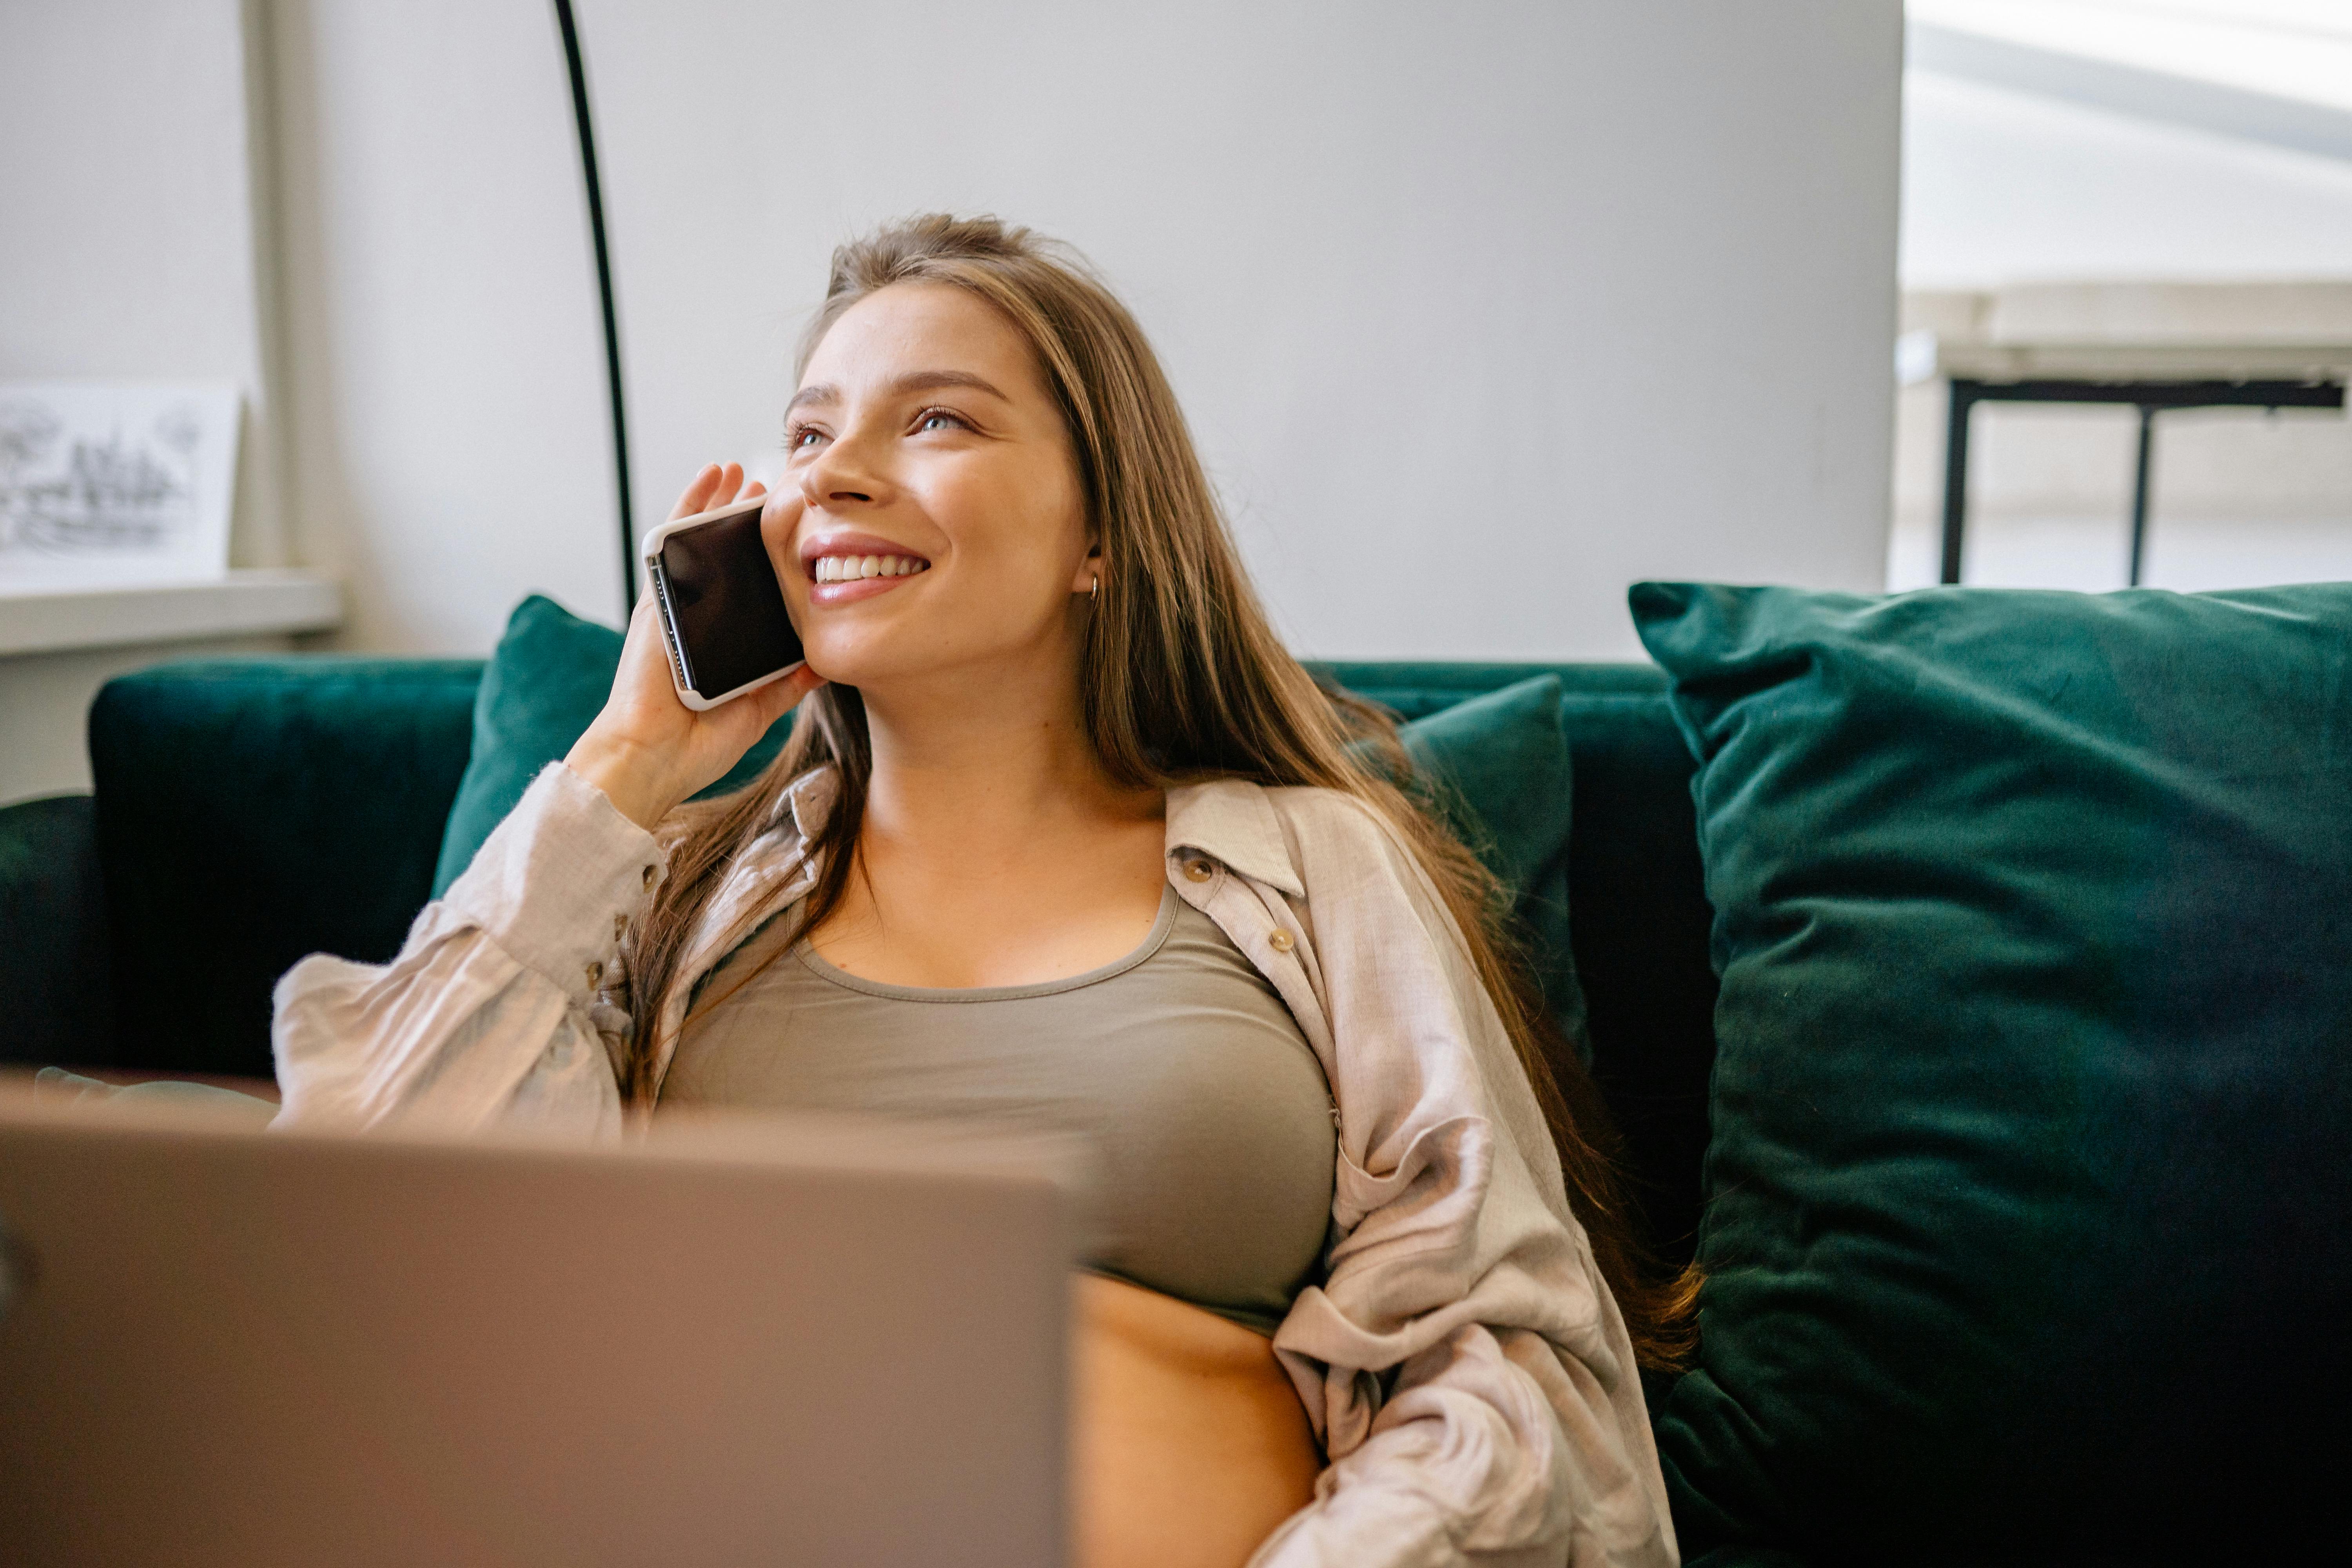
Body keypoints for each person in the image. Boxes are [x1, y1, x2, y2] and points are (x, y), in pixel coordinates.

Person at [274, 214, 1688, 1568]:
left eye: (935, 420)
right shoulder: (667, 903)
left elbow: (1507, 1361)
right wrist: (634, 758)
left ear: (1102, 538)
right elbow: (365, 1251)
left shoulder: (1313, 865)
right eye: (810, 433)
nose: (830, 475)